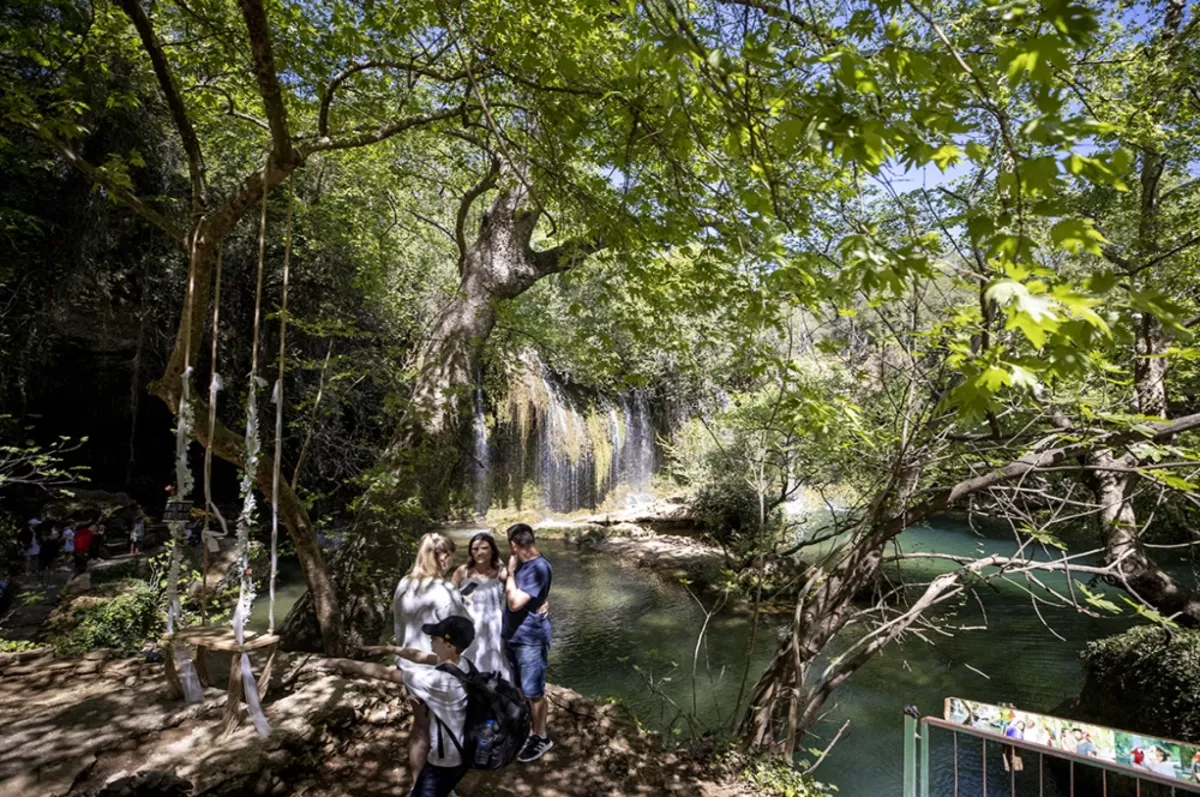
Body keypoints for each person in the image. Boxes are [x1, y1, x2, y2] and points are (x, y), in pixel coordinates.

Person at [394, 533, 467, 787]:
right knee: (446, 731)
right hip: (437, 668)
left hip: (408, 667)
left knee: (421, 725)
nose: (450, 561)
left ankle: (417, 784)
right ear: (439, 557)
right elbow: (464, 629)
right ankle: (440, 788)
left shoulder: (404, 583)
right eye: (448, 556)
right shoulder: (445, 589)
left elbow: (399, 626)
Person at [393, 616, 476, 797]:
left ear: (449, 646)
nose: (430, 640)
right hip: (465, 748)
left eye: (435, 638)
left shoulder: (439, 680)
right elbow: (421, 656)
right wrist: (390, 649)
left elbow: (385, 674)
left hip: (446, 758)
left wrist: (340, 663)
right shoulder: (464, 664)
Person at [503, 523, 553, 762]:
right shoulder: (526, 565)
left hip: (530, 639)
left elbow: (514, 603)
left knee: (534, 692)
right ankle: (529, 730)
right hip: (515, 636)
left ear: (514, 545)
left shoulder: (539, 568)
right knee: (522, 689)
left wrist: (511, 573)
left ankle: (541, 738)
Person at [452, 532, 513, 682]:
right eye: (475, 549)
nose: (479, 552)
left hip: (493, 625)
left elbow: (517, 592)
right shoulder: (462, 571)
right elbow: (448, 597)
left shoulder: (501, 572)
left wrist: (540, 602)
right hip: (468, 624)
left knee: (495, 659)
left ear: (492, 550)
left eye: (484, 548)